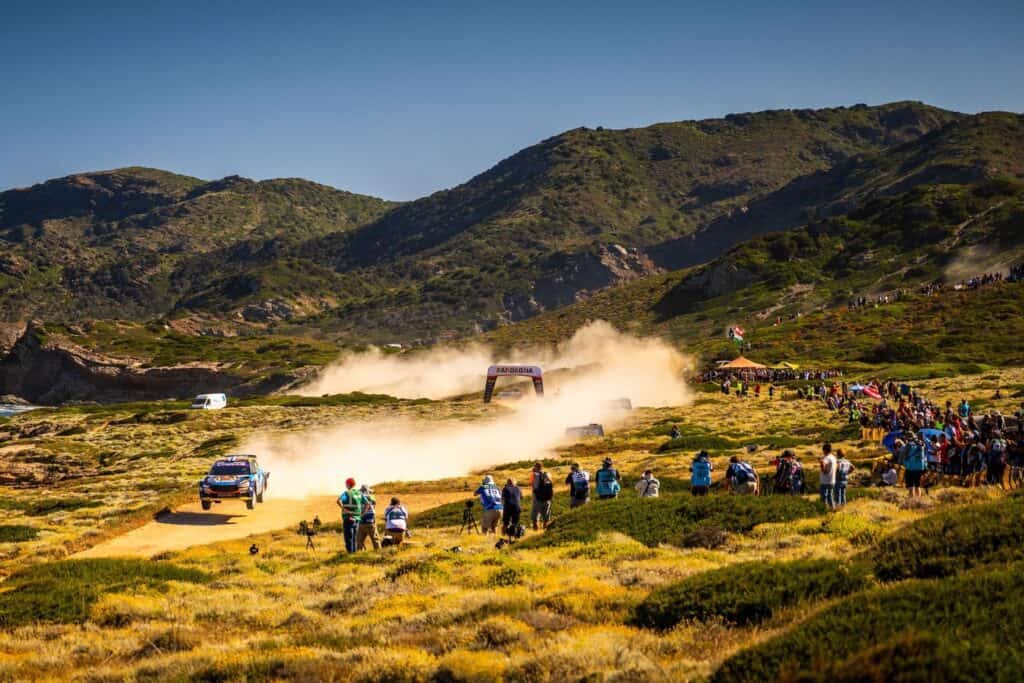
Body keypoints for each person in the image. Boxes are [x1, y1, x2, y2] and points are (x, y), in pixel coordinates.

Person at [336, 477, 362, 553]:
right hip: (357, 518)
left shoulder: (346, 493)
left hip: (348, 518)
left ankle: (350, 555)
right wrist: (361, 514)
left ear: (348, 484)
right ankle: (354, 554)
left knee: (349, 539)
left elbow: (338, 501)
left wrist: (344, 509)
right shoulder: (359, 493)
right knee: (354, 538)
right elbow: (367, 503)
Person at [529, 462, 554, 530]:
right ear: (542, 467)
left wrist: (533, 474)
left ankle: (535, 530)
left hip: (537, 497)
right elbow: (552, 484)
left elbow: (532, 484)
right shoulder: (548, 474)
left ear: (536, 467)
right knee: (546, 514)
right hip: (547, 497)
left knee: (535, 513)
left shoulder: (534, 474)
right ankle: (545, 528)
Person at [356, 484, 382, 550]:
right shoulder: (372, 498)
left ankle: (358, 553)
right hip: (371, 521)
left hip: (361, 521)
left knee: (359, 540)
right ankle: (378, 552)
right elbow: (374, 507)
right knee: (375, 539)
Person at [819, 443, 837, 510]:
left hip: (825, 480)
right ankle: (833, 508)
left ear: (825, 450)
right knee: (830, 496)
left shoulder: (826, 458)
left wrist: (821, 464)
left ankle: (823, 509)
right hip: (832, 479)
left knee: (824, 497)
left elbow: (823, 465)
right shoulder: (833, 457)